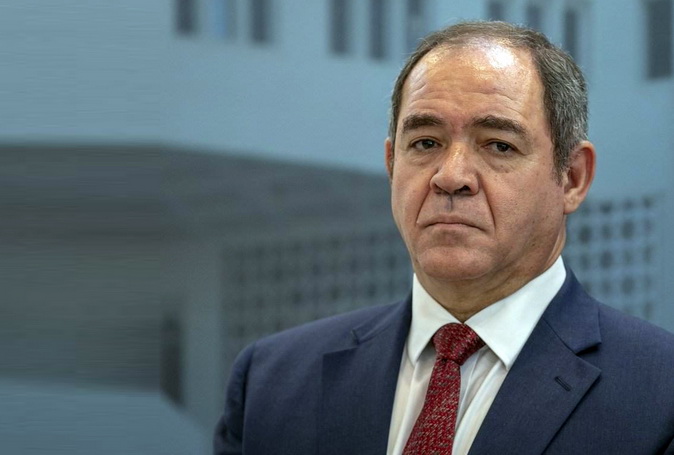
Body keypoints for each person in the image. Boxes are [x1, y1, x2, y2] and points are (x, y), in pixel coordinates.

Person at [214, 21, 674, 454]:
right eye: (426, 143)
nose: (450, 177)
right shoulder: (271, 383)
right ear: (391, 164)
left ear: (572, 178)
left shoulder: (661, 394)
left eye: (499, 145)